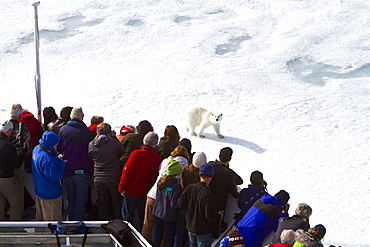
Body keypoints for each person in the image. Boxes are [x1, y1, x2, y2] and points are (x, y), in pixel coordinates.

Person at [142, 145, 189, 244]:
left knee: (148, 225)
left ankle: (143, 243)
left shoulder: (166, 162)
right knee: (166, 233)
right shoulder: (184, 166)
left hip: (153, 196)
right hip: (167, 203)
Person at [118, 132, 161, 232]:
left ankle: (126, 236)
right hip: (145, 191)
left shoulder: (136, 154)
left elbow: (127, 172)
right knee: (142, 217)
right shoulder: (156, 158)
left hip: (131, 190)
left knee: (127, 216)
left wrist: (122, 187)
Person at [58, 107, 95, 221]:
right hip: (83, 170)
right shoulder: (87, 133)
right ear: (82, 118)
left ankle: (70, 220)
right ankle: (78, 222)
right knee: (81, 197)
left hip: (68, 169)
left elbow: (59, 148)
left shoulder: (63, 130)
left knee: (70, 196)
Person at [179, 164, 223, 247]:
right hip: (203, 231)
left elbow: (181, 204)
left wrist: (190, 212)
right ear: (211, 176)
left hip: (190, 227)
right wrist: (219, 216)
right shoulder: (209, 195)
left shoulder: (190, 188)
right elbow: (210, 216)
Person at [89, 123, 125, 220]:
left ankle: (102, 224)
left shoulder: (92, 144)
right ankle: (117, 225)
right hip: (113, 177)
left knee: (102, 204)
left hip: (98, 178)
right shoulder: (113, 142)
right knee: (116, 203)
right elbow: (122, 151)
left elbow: (91, 155)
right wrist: (114, 138)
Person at [32, 131, 66, 221]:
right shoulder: (47, 158)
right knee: (53, 218)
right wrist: (62, 164)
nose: (56, 146)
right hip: (51, 192)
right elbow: (54, 175)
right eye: (55, 145)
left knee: (41, 217)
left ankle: (41, 233)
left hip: (40, 189)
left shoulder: (37, 149)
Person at [209, 147, 240, 237]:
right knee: (215, 228)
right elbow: (234, 192)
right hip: (219, 204)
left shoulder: (211, 165)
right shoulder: (227, 173)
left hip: (207, 200)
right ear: (230, 159)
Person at [152, 160, 183, 247]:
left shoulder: (162, 181)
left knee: (158, 235)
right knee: (170, 237)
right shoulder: (176, 186)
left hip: (157, 212)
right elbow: (174, 204)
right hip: (168, 215)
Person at [0, 120, 26, 220]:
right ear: (10, 130)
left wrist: (14, 141)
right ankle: (15, 226)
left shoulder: (7, 144)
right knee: (16, 202)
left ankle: (2, 227)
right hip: (7, 178)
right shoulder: (8, 146)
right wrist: (23, 152)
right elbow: (17, 164)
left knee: (1, 203)